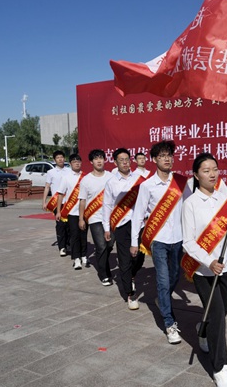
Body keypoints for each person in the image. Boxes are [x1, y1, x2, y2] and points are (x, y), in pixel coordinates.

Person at [182, 153, 227, 387]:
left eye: (215, 169)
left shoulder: (226, 199)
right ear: (196, 175)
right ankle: (220, 367)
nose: (212, 174)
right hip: (205, 271)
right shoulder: (190, 204)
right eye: (206, 170)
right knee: (218, 318)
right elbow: (188, 242)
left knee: (224, 309)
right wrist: (208, 261)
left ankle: (202, 329)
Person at [131, 141, 186, 344]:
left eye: (169, 155)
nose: (167, 159)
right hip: (159, 240)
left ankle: (161, 300)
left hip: (178, 239)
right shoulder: (147, 186)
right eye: (162, 155)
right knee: (163, 281)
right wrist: (134, 241)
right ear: (154, 160)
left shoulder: (181, 182)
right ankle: (170, 324)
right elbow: (138, 214)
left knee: (174, 277)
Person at [102, 148, 146, 310]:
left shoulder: (141, 180)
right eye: (121, 160)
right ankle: (130, 293)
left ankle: (132, 275)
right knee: (125, 259)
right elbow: (106, 206)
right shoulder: (111, 183)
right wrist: (107, 228)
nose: (125, 162)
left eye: (127, 159)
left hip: (140, 223)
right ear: (115, 162)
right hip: (121, 225)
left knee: (140, 256)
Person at [78, 149, 115, 285]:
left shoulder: (111, 177)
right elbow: (82, 200)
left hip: (112, 217)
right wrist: (81, 218)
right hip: (95, 218)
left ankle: (104, 266)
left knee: (109, 244)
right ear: (91, 162)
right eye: (96, 158)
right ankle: (103, 274)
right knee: (100, 246)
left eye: (101, 158)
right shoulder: (86, 180)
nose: (99, 161)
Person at [56, 154, 87, 270]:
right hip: (72, 211)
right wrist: (59, 211)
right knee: (74, 235)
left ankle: (84, 255)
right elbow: (60, 194)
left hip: (85, 211)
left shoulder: (86, 177)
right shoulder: (66, 177)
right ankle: (76, 258)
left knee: (83, 235)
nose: (77, 163)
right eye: (74, 162)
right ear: (70, 164)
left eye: (78, 161)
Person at [42, 150, 70, 256]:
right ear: (54, 160)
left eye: (62, 157)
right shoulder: (51, 172)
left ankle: (68, 243)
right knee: (60, 224)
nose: (60, 159)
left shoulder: (69, 171)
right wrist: (44, 201)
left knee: (70, 225)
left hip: (69, 201)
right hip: (57, 202)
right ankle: (62, 247)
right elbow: (47, 187)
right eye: (58, 157)